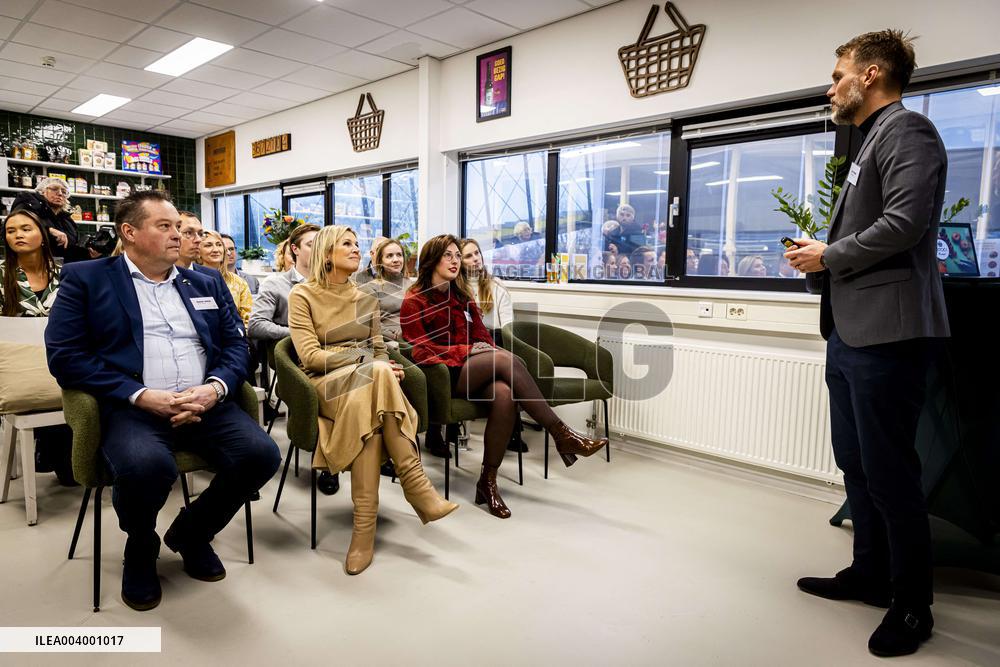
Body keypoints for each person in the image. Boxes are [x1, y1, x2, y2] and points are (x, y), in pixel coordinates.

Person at [787, 30, 950, 658]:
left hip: (890, 334)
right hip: (851, 331)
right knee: (857, 464)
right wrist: (822, 258)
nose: (831, 87)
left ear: (871, 74)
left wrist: (827, 254)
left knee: (890, 473)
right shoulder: (869, 139)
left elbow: (906, 224)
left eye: (838, 75)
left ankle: (913, 606)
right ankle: (870, 575)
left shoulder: (908, 131)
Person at [44, 190, 281, 611]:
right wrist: (140, 395)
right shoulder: (88, 278)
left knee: (261, 455)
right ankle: (141, 545)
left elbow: (235, 346)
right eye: (166, 226)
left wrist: (215, 389)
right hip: (133, 406)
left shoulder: (205, 282)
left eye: (181, 227)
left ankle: (191, 532)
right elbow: (66, 356)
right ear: (130, 232)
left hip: (205, 402)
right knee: (146, 466)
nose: (180, 235)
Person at [288, 225, 457, 575]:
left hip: (364, 386)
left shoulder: (366, 297)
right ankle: (417, 487)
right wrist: (369, 362)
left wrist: (374, 363)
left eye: (356, 244)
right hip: (325, 384)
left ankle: (363, 531)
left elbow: (379, 349)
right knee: (379, 376)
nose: (356, 249)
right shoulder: (302, 295)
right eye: (346, 244)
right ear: (326, 253)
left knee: (374, 411)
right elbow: (310, 358)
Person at [400, 235, 608, 519]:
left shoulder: (461, 295)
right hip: (442, 375)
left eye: (457, 256)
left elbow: (482, 336)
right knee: (504, 359)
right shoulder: (414, 298)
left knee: (505, 394)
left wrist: (484, 347)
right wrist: (469, 350)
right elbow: (419, 349)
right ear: (431, 260)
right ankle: (562, 434)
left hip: (470, 369)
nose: (455, 261)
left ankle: (487, 482)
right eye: (447, 255)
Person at [248, 223, 339, 498]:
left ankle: (373, 454)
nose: (320, 249)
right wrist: (298, 333)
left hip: (333, 355)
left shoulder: (334, 283)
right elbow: (255, 325)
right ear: (294, 249)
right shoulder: (276, 284)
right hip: (295, 362)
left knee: (370, 379)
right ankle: (329, 464)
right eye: (312, 243)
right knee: (331, 388)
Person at [2, 209, 74, 486]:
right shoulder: (2, 275)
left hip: (61, 362)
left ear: (43, 236)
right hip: (18, 368)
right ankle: (52, 452)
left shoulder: (65, 274)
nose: (18, 234)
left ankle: (63, 454)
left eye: (25, 228)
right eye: (11, 230)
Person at [457, 237, 527, 454]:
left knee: (509, 365)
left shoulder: (496, 287)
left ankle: (512, 429)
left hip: (495, 340)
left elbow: (508, 327)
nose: (475, 259)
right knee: (506, 366)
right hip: (466, 344)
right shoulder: (455, 288)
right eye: (468, 256)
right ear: (460, 262)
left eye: (477, 253)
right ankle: (514, 426)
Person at [11, 177, 96, 263]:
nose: (60, 194)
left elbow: (68, 250)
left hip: (61, 270)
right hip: (33, 267)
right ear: (42, 192)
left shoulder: (67, 220)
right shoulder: (29, 206)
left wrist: (89, 253)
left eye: (64, 192)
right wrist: (48, 230)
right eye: (54, 189)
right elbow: (15, 225)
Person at [358, 237, 413, 346]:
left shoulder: (411, 284)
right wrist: (395, 336)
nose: (396, 259)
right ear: (380, 261)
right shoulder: (370, 288)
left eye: (399, 255)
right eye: (389, 256)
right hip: (391, 340)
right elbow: (371, 324)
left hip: (414, 335)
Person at [200, 230, 253, 326]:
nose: (215, 250)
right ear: (198, 251)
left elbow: (248, 319)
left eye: (219, 245)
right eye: (208, 245)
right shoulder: (191, 279)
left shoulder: (238, 282)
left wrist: (238, 335)